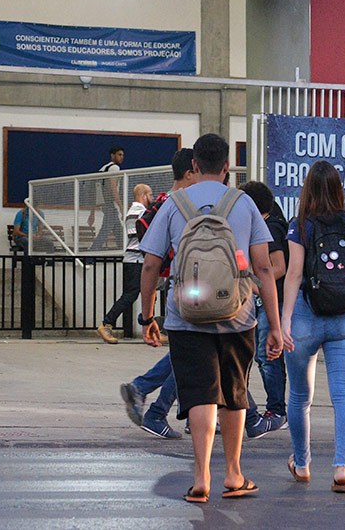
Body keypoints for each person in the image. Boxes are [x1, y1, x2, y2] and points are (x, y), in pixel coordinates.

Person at [138, 134, 286, 502]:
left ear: (193, 166)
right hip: (237, 314)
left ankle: (201, 477)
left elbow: (152, 263)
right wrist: (276, 325)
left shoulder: (174, 203)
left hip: (185, 315)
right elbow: (264, 268)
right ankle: (233, 474)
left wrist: (146, 316)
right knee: (234, 393)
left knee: (200, 394)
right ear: (226, 168)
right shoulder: (245, 203)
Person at [281, 160, 345, 493]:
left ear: (307, 191)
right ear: (338, 189)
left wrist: (285, 320)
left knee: (300, 397)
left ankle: (302, 464)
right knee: (344, 394)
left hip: (306, 317)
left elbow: (294, 275)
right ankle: (342, 467)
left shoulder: (300, 226)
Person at [119, 148, 195, 440]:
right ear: (190, 173)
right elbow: (150, 264)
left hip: (178, 285)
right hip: (188, 289)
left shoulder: (166, 202)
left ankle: (148, 395)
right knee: (192, 355)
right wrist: (146, 316)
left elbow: (152, 261)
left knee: (185, 354)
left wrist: (147, 315)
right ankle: (157, 408)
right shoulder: (179, 205)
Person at [240, 181, 289, 439]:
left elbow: (277, 267)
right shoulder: (262, 226)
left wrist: (254, 284)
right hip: (264, 301)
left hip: (272, 301)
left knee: (268, 357)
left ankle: (276, 410)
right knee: (261, 357)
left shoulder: (270, 228)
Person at [97, 183, 153, 344]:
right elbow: (145, 234)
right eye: (150, 195)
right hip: (136, 260)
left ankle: (149, 329)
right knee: (131, 295)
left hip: (133, 258)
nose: (152, 198)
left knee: (149, 294)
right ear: (143, 196)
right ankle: (106, 323)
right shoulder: (141, 212)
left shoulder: (132, 211)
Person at [89, 146, 125, 250]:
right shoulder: (114, 168)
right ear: (112, 155)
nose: (122, 157)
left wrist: (92, 212)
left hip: (103, 204)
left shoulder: (103, 169)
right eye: (119, 155)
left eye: (122, 155)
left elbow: (94, 192)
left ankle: (123, 252)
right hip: (110, 204)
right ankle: (91, 253)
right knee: (105, 230)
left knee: (118, 231)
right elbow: (113, 189)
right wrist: (121, 207)